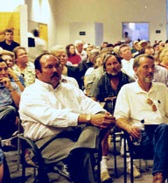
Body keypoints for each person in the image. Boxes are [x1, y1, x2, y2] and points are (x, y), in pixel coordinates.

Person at [18, 53, 116, 182]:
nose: (55, 70)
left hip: (77, 135)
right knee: (85, 155)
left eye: (57, 66)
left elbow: (89, 104)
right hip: (48, 141)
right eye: (49, 67)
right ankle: (80, 153)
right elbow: (51, 117)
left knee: (96, 125)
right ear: (38, 72)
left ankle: (79, 151)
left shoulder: (69, 88)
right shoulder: (30, 93)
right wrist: (87, 118)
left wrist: (101, 115)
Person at [114, 54, 168, 183]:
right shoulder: (127, 90)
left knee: (166, 131)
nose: (150, 71)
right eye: (146, 67)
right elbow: (119, 118)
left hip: (164, 133)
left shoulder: (162, 88)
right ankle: (159, 175)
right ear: (135, 69)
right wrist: (128, 127)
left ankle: (158, 175)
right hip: (142, 138)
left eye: (152, 68)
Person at [90, 53, 135, 181]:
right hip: (107, 114)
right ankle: (103, 167)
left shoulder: (129, 80)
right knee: (104, 128)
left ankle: (129, 163)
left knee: (130, 126)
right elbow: (92, 100)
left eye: (115, 63)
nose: (113, 67)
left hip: (126, 114)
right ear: (105, 67)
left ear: (120, 64)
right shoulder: (100, 80)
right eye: (109, 64)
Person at [0, 58, 21, 140]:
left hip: (9, 116)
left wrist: (10, 88)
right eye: (0, 70)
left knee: (10, 110)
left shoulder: (13, 86)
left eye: (5, 69)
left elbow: (21, 105)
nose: (3, 73)